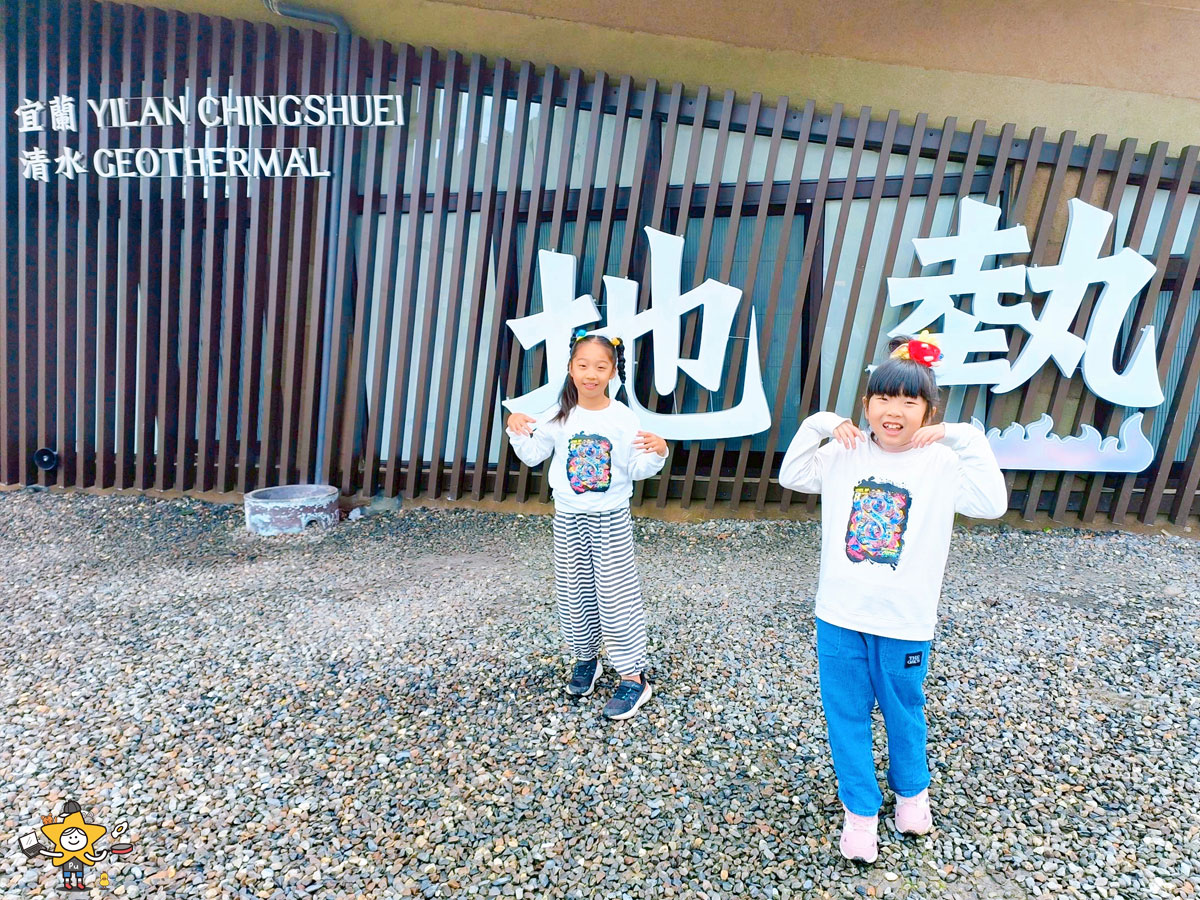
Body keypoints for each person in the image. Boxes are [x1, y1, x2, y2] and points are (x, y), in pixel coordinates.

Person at [778, 334, 1007, 863]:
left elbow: (993, 504)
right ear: (866, 405)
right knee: (846, 713)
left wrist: (959, 436)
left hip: (905, 619)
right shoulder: (844, 452)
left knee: (904, 709)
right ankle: (859, 810)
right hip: (839, 613)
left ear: (928, 410)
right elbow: (792, 474)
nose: (895, 411)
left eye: (910, 401)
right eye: (884, 398)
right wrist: (819, 424)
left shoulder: (942, 463)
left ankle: (912, 793)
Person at [505, 330, 668, 720]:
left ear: (613, 371)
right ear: (570, 369)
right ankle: (586, 659)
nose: (590, 374)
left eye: (600, 366)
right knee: (574, 594)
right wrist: (514, 426)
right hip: (569, 519)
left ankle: (634, 676)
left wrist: (660, 452)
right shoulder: (558, 415)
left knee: (616, 597)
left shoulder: (623, 418)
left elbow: (637, 468)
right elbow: (532, 455)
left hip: (610, 519)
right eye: (582, 365)